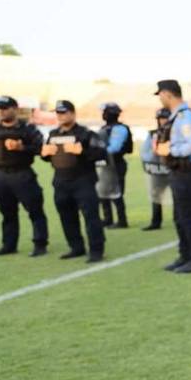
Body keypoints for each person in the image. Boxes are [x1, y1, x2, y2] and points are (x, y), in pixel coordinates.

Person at [0, 95, 49, 257]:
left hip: (22, 174)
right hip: (0, 176)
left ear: (15, 109)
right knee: (7, 212)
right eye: (0, 109)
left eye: (5, 108)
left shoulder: (28, 129)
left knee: (34, 210)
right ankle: (9, 244)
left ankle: (40, 244)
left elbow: (40, 148)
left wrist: (22, 147)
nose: (2, 112)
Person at [41, 100, 107, 263]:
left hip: (83, 181)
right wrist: (45, 154)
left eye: (63, 112)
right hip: (60, 181)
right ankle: (76, 247)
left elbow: (102, 154)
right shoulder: (53, 134)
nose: (60, 116)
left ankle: (96, 250)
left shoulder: (86, 134)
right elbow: (49, 157)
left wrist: (82, 151)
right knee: (67, 217)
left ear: (72, 113)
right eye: (58, 113)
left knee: (91, 217)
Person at [154, 79, 191, 274]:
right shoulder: (177, 116)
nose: (159, 98)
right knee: (179, 217)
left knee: (188, 218)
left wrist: (170, 150)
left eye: (160, 94)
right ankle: (185, 256)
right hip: (179, 171)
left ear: (167, 94)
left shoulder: (185, 116)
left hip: (188, 171)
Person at [97, 102, 133, 229]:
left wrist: (99, 151)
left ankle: (122, 220)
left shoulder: (119, 129)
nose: (103, 115)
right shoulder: (105, 128)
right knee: (103, 191)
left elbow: (115, 148)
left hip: (115, 164)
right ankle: (108, 219)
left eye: (105, 112)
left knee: (116, 192)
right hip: (104, 164)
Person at [140, 108, 171, 231]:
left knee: (177, 195)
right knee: (155, 194)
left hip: (172, 168)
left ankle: (179, 218)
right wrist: (153, 155)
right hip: (157, 169)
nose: (164, 121)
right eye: (161, 118)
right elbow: (145, 151)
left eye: (166, 118)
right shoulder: (153, 134)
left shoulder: (176, 132)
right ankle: (156, 221)